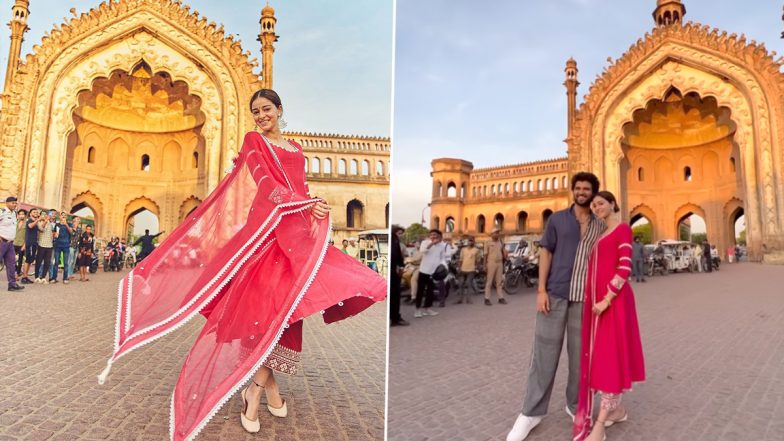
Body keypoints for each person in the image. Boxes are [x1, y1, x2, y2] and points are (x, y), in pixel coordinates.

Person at [96, 89, 387, 441]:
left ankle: (264, 391)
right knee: (273, 315)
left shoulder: (297, 149)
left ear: (280, 109)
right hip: (267, 234)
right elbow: (266, 184)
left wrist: (311, 205)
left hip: (297, 234)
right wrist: (303, 204)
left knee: (293, 309)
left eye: (267, 109)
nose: (261, 115)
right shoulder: (254, 141)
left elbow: (301, 185)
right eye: (255, 111)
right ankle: (257, 393)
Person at [507, 172, 605, 441]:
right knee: (543, 356)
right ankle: (531, 412)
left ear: (593, 192)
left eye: (587, 188)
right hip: (555, 293)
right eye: (578, 187)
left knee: (580, 359)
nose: (582, 192)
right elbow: (546, 252)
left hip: (584, 299)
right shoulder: (558, 220)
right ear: (573, 190)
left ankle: (576, 407)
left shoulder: (600, 225)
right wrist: (541, 290)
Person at [573, 191, 645, 441]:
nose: (596, 208)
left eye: (601, 203)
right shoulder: (599, 234)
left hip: (613, 303)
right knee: (601, 357)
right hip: (597, 305)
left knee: (610, 357)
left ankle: (600, 423)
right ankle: (618, 411)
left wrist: (606, 298)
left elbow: (624, 267)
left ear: (613, 203)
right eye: (594, 205)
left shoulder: (623, 229)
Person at [414, 229, 448, 318]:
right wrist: (432, 243)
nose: (433, 236)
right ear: (429, 236)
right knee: (420, 291)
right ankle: (417, 310)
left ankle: (427, 308)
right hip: (424, 270)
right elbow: (423, 251)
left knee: (430, 291)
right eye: (431, 235)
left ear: (439, 236)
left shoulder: (441, 246)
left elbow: (442, 258)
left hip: (433, 273)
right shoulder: (425, 242)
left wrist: (443, 267)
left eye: (435, 235)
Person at [0, 197, 24, 291]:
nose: (14, 205)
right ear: (7, 203)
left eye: (15, 203)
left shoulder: (14, 213)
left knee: (11, 264)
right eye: (13, 203)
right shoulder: (2, 212)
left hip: (10, 244)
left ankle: (12, 285)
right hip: (2, 242)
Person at [390, 225, 409, 326]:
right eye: (399, 233)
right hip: (392, 271)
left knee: (395, 296)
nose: (400, 235)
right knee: (394, 296)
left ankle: (395, 318)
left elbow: (398, 255)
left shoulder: (395, 240)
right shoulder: (394, 240)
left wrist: (401, 267)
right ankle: (395, 317)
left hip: (394, 271)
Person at [484, 228, 508, 306]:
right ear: (492, 234)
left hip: (499, 263)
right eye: (496, 233)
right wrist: (484, 265)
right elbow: (485, 255)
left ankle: (500, 298)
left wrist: (504, 247)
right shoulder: (487, 242)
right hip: (491, 263)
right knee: (489, 282)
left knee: (499, 282)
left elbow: (504, 254)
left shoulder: (500, 242)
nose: (497, 234)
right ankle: (487, 298)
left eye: (498, 233)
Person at [455, 237, 479, 304]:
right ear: (467, 242)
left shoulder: (476, 250)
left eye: (472, 241)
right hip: (463, 269)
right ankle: (460, 299)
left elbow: (477, 260)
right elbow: (461, 259)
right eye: (469, 241)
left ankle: (468, 299)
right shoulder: (463, 249)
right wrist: (459, 268)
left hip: (471, 269)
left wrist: (476, 267)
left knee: (469, 284)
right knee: (460, 284)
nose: (470, 242)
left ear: (474, 242)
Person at [51, 212, 73, 284]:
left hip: (66, 246)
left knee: (66, 263)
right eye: (62, 215)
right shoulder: (57, 225)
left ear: (66, 217)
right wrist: (55, 235)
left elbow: (71, 232)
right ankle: (54, 278)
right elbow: (54, 235)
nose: (63, 217)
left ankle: (65, 278)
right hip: (58, 245)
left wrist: (65, 223)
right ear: (60, 217)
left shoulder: (69, 224)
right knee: (56, 262)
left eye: (64, 216)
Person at [20, 208, 40, 284]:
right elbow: (30, 226)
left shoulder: (35, 221)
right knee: (27, 260)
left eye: (36, 212)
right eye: (34, 212)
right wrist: (38, 220)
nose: (36, 213)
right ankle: (24, 278)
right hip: (30, 243)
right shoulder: (29, 220)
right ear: (30, 213)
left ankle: (26, 276)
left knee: (30, 260)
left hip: (34, 243)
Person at [35, 211, 54, 284]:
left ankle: (43, 277)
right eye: (43, 215)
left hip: (49, 245)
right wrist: (45, 221)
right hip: (41, 244)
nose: (44, 216)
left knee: (47, 262)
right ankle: (36, 277)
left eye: (45, 215)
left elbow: (51, 233)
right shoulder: (39, 223)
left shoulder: (50, 223)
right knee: (39, 261)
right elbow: (41, 229)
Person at [13, 209, 27, 279]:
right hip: (14, 243)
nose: (21, 215)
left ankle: (17, 274)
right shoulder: (15, 222)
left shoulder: (26, 223)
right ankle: (17, 271)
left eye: (23, 214)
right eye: (20, 214)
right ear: (18, 215)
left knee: (20, 260)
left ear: (25, 215)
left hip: (22, 244)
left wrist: (24, 245)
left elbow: (27, 235)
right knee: (11, 259)